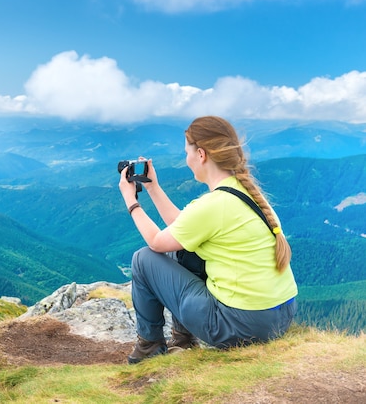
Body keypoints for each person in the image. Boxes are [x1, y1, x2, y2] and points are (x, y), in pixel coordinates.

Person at [118, 115, 298, 364]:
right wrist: (153, 188)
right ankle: (182, 341)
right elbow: (184, 228)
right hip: (281, 316)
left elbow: (156, 242)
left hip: (243, 327)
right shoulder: (248, 194)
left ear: (201, 154)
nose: (187, 160)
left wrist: (131, 200)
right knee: (181, 251)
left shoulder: (215, 204)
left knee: (143, 259)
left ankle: (150, 347)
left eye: (187, 152)